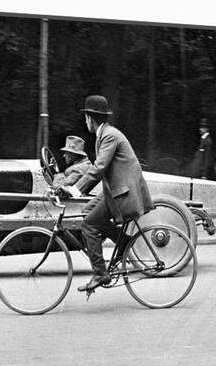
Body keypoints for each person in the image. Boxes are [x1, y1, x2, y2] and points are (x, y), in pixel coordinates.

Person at [60, 95, 154, 292]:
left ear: (90, 119)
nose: (85, 122)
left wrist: (75, 190)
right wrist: (74, 189)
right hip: (116, 190)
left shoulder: (109, 136)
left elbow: (98, 168)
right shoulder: (105, 134)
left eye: (86, 118)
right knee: (87, 211)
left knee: (88, 225)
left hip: (122, 193)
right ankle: (123, 240)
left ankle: (100, 273)